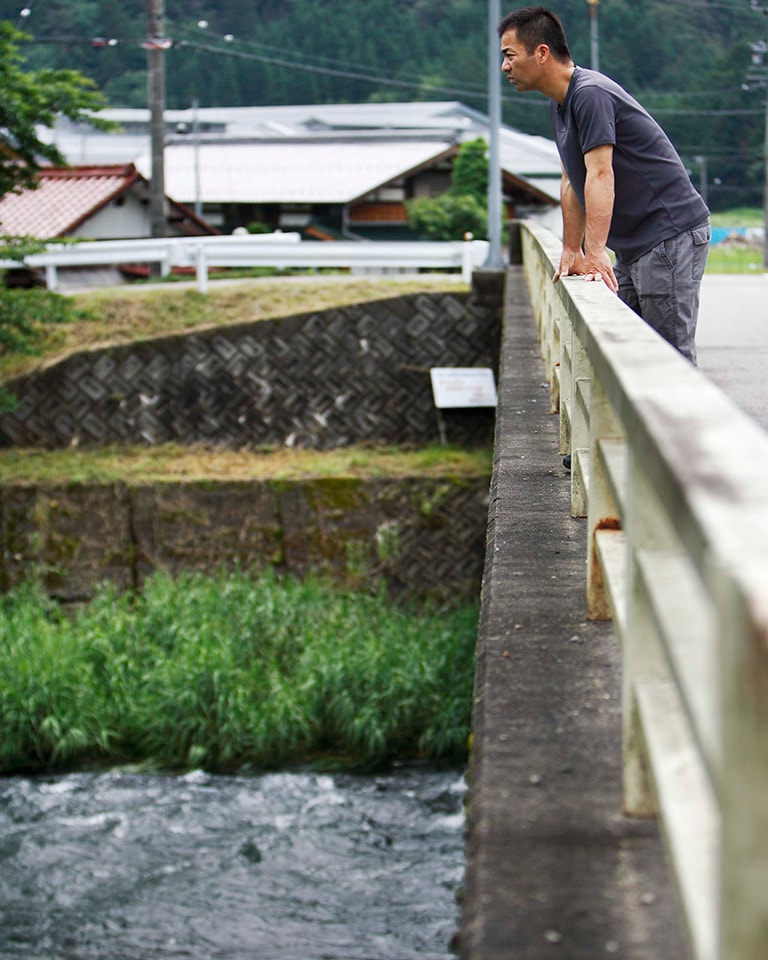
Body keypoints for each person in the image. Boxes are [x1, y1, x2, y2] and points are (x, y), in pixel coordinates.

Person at [498, 7, 710, 369]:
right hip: (636, 245)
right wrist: (571, 248)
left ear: (542, 53)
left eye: (509, 55)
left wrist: (594, 252)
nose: (505, 67)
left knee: (669, 358)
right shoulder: (560, 104)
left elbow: (600, 174)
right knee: (627, 352)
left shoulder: (590, 94)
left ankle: (685, 426)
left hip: (668, 235)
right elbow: (572, 179)